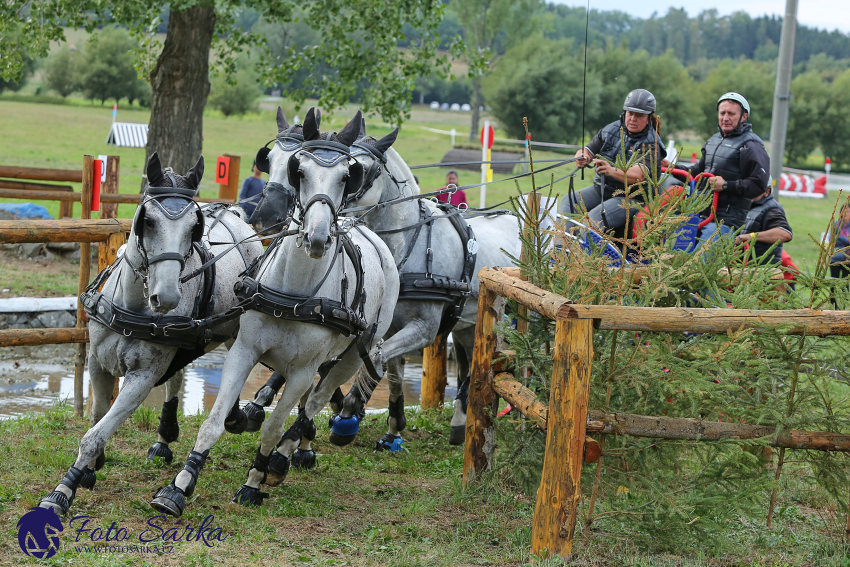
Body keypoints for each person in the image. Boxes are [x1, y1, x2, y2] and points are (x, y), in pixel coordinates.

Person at [559, 88, 667, 235]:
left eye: (639, 115)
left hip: (632, 198)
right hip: (602, 189)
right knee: (569, 200)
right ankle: (560, 252)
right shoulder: (611, 129)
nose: (633, 119)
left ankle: (583, 256)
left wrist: (612, 171)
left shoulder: (651, 143)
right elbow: (588, 150)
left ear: (649, 117)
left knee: (595, 218)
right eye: (630, 113)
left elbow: (639, 175)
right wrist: (582, 156)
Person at [689, 92, 770, 244]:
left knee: (698, 264)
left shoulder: (751, 145)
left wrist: (726, 185)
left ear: (744, 117)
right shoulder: (713, 140)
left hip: (725, 223)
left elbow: (759, 185)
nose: (725, 118)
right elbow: (696, 173)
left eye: (731, 114)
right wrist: (669, 168)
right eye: (722, 113)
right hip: (699, 216)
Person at [734, 186, 792, 265]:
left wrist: (750, 236)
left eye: (756, 186)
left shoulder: (772, 208)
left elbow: (784, 234)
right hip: (744, 269)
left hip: (760, 270)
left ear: (767, 191)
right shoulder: (748, 205)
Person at [829, 203, 850, 279]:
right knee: (834, 282)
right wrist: (847, 240)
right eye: (843, 211)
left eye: (848, 211)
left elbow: (837, 238)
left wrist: (839, 237)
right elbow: (832, 239)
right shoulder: (836, 224)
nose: (846, 214)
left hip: (848, 258)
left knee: (845, 285)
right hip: (836, 257)